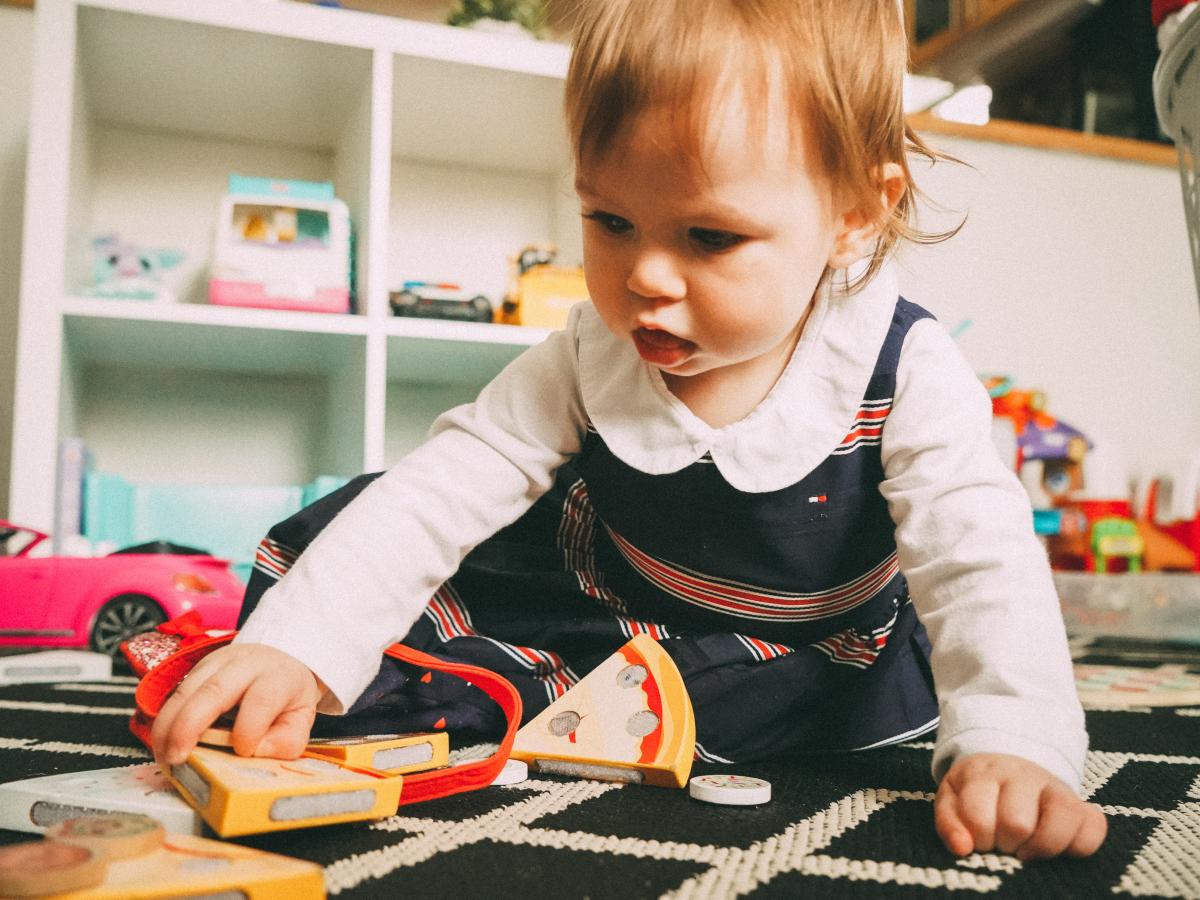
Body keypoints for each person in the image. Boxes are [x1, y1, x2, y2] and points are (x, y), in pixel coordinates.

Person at [152, 0, 1107, 861]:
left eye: (709, 237)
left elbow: (978, 554)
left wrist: (1016, 742)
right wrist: (304, 644)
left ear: (855, 216)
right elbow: (447, 482)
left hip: (804, 650)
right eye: (609, 220)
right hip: (616, 602)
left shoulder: (900, 365)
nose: (645, 277)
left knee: (709, 708)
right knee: (376, 569)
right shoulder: (589, 350)